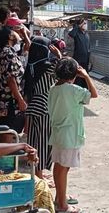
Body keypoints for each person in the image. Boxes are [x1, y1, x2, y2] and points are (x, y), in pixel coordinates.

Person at [48, 58, 98, 213]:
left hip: (58, 134)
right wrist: (87, 76)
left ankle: (60, 198)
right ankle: (62, 205)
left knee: (60, 167)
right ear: (74, 73)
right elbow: (94, 94)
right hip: (69, 135)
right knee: (63, 168)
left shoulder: (53, 89)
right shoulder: (74, 90)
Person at [23, 37, 62, 181]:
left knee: (34, 142)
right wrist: (59, 55)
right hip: (45, 108)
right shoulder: (48, 66)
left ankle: (37, 175)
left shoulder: (30, 66)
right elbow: (64, 67)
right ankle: (39, 178)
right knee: (44, 144)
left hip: (33, 106)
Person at [0, 26, 27, 142]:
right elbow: (11, 79)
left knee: (8, 129)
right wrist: (20, 99)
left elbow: (27, 47)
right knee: (9, 131)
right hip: (9, 100)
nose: (17, 34)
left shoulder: (7, 51)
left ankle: (6, 156)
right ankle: (6, 158)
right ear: (10, 37)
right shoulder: (8, 53)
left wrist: (25, 34)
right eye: (14, 32)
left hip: (6, 98)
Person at [68, 19, 90, 88]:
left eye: (86, 23)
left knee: (85, 76)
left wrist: (90, 60)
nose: (86, 25)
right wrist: (78, 26)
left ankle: (85, 89)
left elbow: (88, 48)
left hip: (86, 60)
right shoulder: (77, 33)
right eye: (84, 23)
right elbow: (71, 34)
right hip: (78, 59)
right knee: (77, 76)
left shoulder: (87, 35)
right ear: (80, 24)